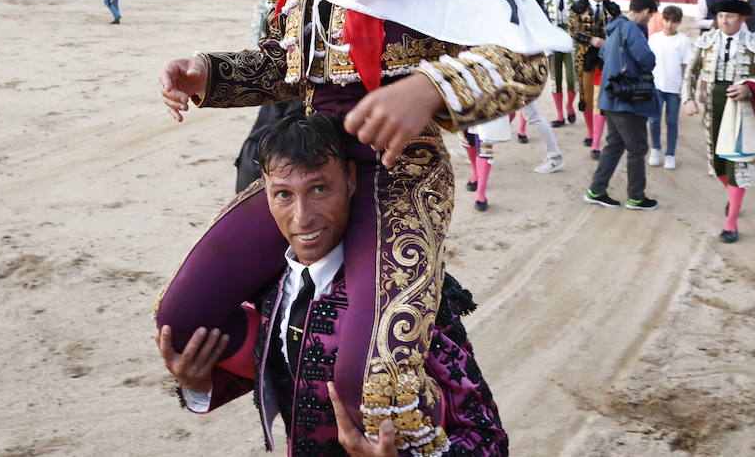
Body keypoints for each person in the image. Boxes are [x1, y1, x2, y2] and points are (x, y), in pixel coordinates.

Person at [156, 0, 565, 453]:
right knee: (182, 318)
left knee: (374, 382)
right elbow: (289, 71)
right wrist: (210, 72)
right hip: (316, 165)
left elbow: (526, 61)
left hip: (401, 174)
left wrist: (429, 88)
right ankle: (247, 382)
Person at [158, 112, 509, 455]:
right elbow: (274, 371)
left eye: (319, 188)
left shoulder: (409, 290)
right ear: (265, 194)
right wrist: (199, 386)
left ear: (351, 181)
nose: (302, 217)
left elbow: (486, 436)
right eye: (283, 194)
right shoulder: (271, 287)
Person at [682, 0, 755, 242]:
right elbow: (691, 73)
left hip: (742, 108)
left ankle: (731, 222)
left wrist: (750, 89)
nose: (723, 21)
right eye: (721, 16)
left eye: (730, 17)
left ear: (742, 18)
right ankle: (735, 198)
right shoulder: (707, 40)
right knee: (717, 164)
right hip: (714, 104)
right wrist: (688, 99)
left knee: (736, 163)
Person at [583, 0, 660, 211]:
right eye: (650, 14)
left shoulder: (614, 27)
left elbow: (606, 55)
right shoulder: (632, 30)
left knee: (615, 145)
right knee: (637, 148)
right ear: (646, 11)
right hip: (627, 100)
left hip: (610, 96)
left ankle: (596, 190)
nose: (649, 19)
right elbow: (648, 60)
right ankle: (636, 196)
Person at [514, 0, 566, 174]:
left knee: (532, 113)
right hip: (515, 62)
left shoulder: (535, 1)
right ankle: (473, 146)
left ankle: (555, 156)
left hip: (526, 64)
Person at [567, 0, 621, 156]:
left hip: (607, 59)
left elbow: (621, 29)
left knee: (601, 98)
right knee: (586, 98)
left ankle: (596, 140)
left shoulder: (612, 8)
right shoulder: (578, 7)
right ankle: (591, 132)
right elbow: (572, 31)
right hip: (585, 57)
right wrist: (591, 40)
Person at [647, 5, 690, 169]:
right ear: (662, 19)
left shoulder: (683, 40)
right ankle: (656, 148)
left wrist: (683, 88)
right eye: (666, 20)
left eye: (673, 22)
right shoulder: (654, 38)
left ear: (678, 23)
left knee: (672, 121)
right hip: (656, 85)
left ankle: (670, 153)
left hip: (674, 87)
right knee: (654, 119)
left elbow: (685, 66)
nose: (669, 24)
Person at [540, 0, 580, 126]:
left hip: (571, 44)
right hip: (553, 43)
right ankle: (559, 115)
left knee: (572, 79)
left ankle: (569, 106)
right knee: (555, 80)